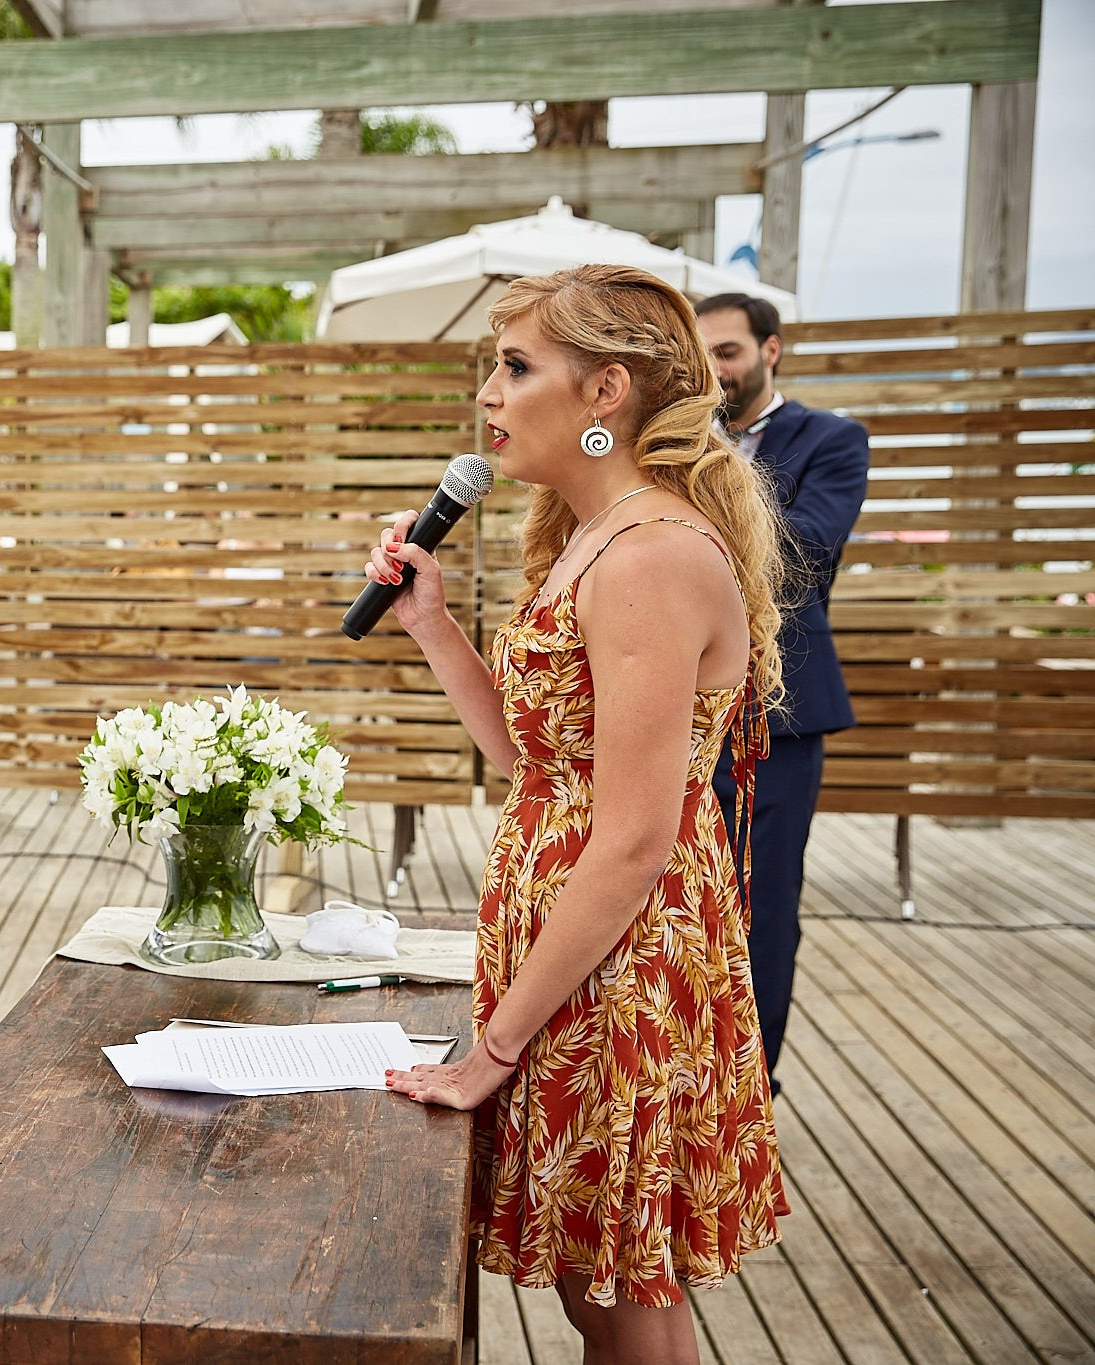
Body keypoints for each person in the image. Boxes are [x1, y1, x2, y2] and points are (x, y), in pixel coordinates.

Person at [372, 266, 788, 1361]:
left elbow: (636, 834)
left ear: (604, 391)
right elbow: (531, 761)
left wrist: (492, 1049)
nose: (488, 399)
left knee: (617, 1294)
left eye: (514, 369)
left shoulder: (648, 554)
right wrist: (429, 622)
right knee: (589, 1283)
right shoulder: (588, 540)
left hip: (622, 957)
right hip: (570, 947)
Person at [696, 292, 870, 1095]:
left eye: (727, 352)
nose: (714, 370)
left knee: (762, 903)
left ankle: (748, 1089)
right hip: (684, 704)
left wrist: (710, 466)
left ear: (772, 351)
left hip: (784, 715)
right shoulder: (680, 440)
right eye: (702, 356)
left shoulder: (832, 440)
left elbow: (803, 550)